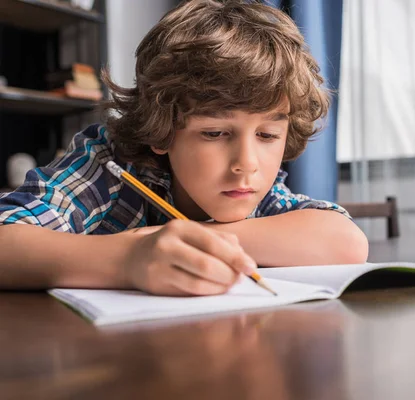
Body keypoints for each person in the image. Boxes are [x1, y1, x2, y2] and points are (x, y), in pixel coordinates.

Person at [0, 0, 368, 296]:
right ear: (162, 131)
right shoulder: (109, 162)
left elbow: (347, 242)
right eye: (214, 133)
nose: (247, 164)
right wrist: (128, 258)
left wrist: (203, 238)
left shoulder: (258, 188)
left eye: (268, 135)